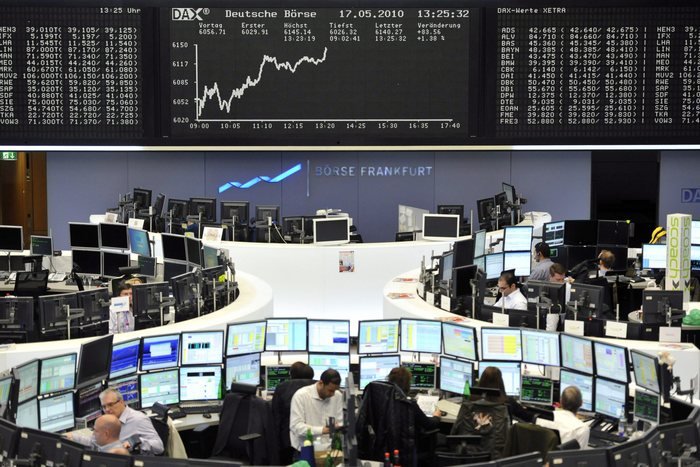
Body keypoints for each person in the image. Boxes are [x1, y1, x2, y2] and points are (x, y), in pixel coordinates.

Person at [451, 366, 511, 459]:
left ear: (481, 380)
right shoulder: (503, 407)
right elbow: (506, 439)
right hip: (493, 459)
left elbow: (454, 431)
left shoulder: (467, 404)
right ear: (500, 383)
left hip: (467, 457)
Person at [289, 368, 344, 452]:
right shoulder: (301, 396)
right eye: (330, 390)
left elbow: (339, 421)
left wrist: (339, 427)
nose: (332, 394)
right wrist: (322, 430)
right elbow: (296, 427)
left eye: (335, 390)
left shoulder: (337, 395)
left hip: (328, 449)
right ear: (321, 383)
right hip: (305, 449)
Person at [272, 362, 316, 464]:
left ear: (291, 375)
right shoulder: (319, 387)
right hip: (315, 437)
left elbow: (275, 417)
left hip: (288, 443)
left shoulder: (282, 387)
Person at [100, 387, 164, 454]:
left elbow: (159, 446)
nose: (107, 409)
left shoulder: (138, 419)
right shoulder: (108, 420)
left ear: (121, 402)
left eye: (110, 405)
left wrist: (135, 443)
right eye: (104, 407)